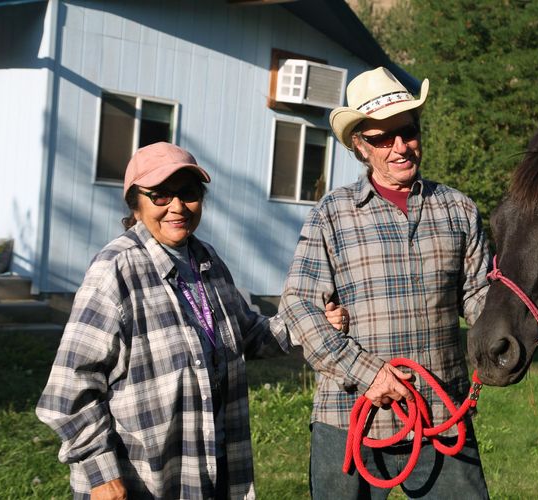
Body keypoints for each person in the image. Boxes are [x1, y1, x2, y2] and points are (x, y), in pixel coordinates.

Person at [36, 142, 349, 499]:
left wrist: (310, 324)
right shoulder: (115, 270)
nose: (177, 207)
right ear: (135, 204)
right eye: (160, 196)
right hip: (140, 481)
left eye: (188, 193)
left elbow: (248, 334)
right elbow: (68, 389)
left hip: (208, 472)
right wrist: (101, 474)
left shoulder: (206, 261)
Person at [280, 67, 491, 499]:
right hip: (349, 418)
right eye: (381, 138)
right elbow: (298, 305)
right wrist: (368, 373)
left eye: (407, 132)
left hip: (441, 417)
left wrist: (511, 329)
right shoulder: (332, 214)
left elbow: (479, 296)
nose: (400, 147)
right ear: (360, 145)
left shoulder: (458, 209)